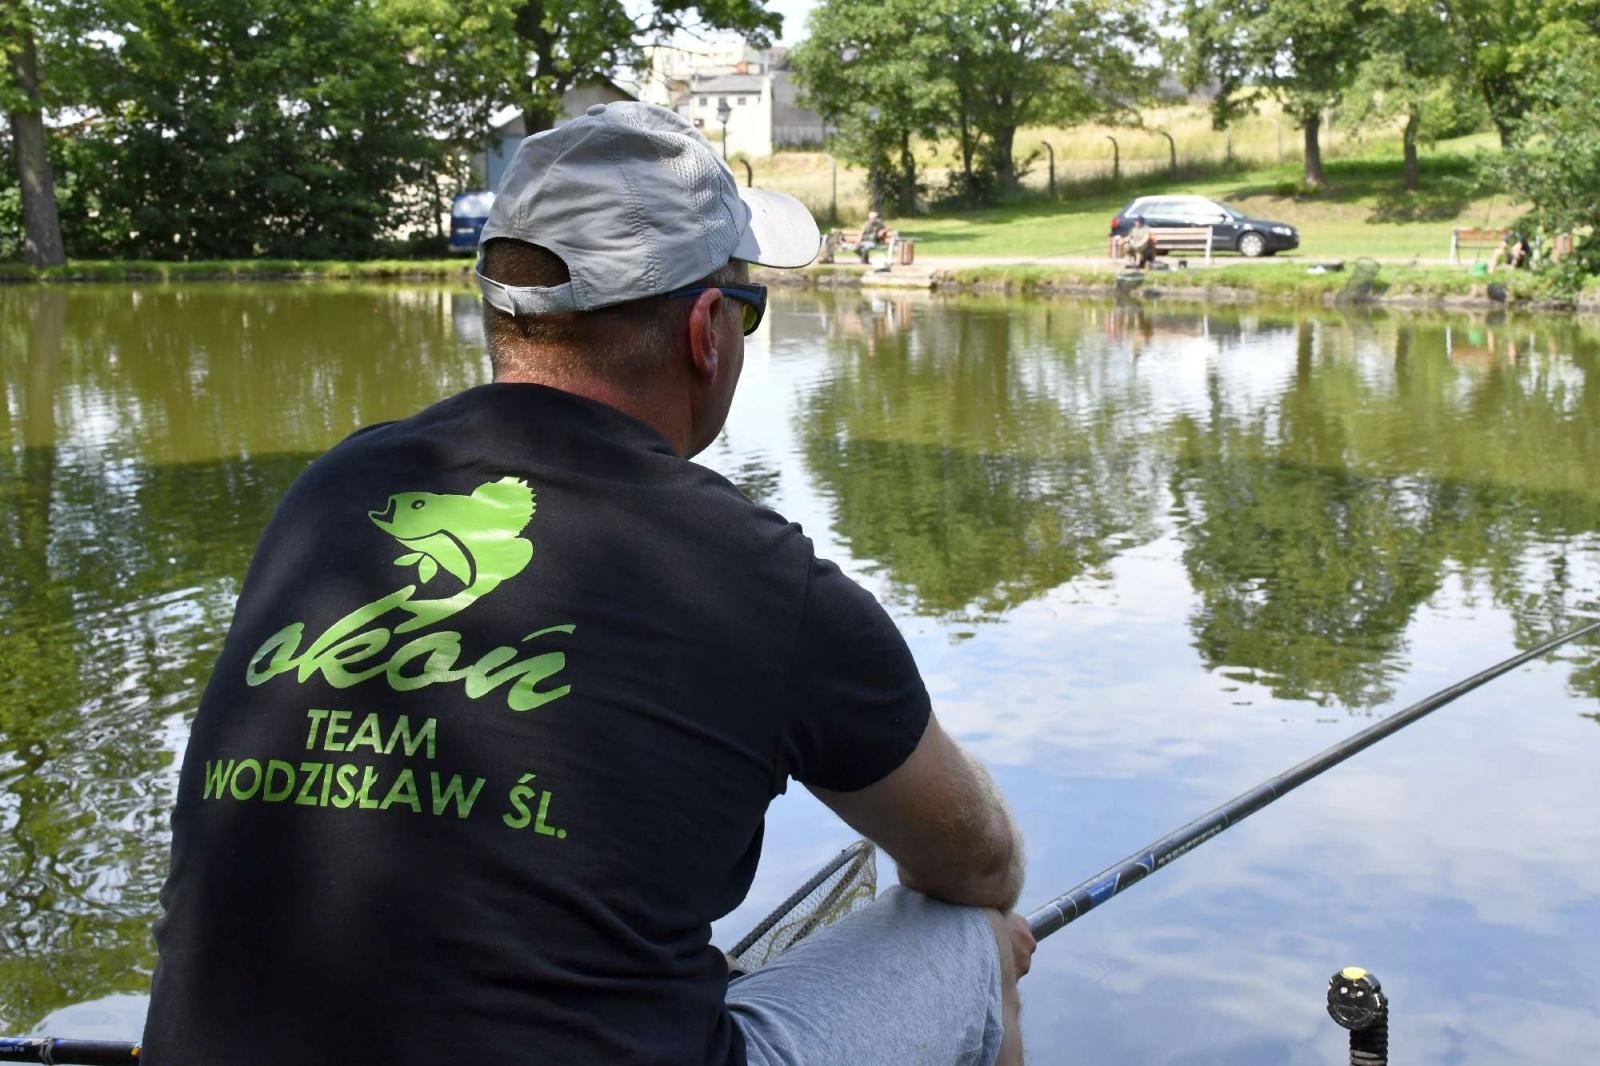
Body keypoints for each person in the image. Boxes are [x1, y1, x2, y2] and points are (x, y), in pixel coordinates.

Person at [142, 101, 1033, 1066]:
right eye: (748, 305)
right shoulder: (758, 577)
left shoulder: (333, 496)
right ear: (707, 331)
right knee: (972, 940)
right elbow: (976, 863)